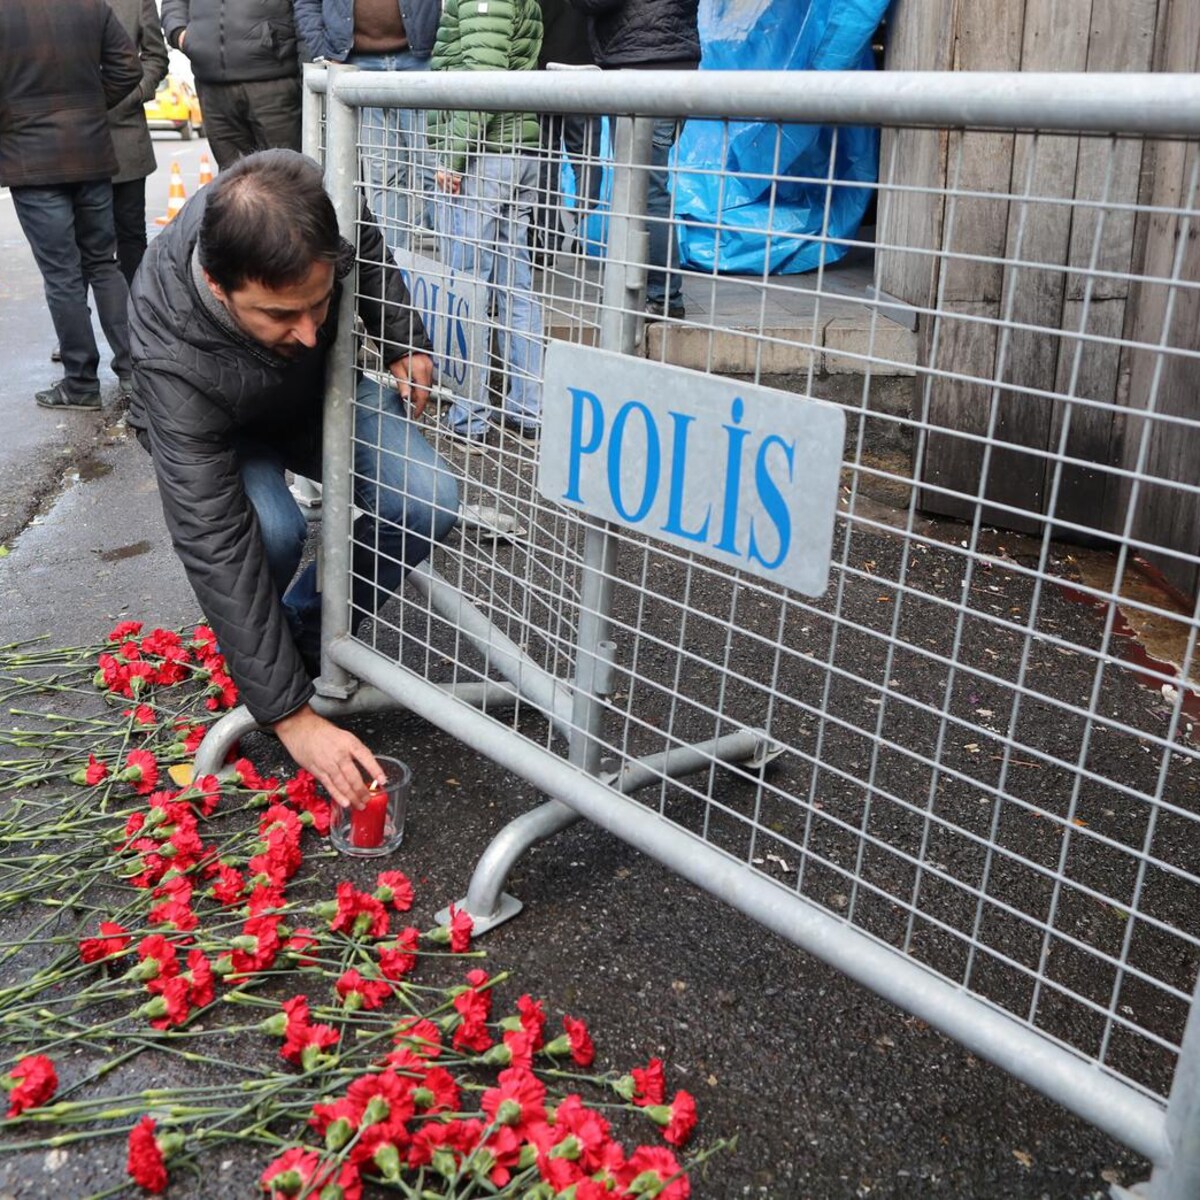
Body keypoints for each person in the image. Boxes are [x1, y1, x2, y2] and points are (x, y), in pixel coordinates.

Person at [127, 149, 459, 810]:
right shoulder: (167, 348)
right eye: (281, 316)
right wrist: (292, 719)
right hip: (222, 426)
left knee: (429, 499)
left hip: (314, 401)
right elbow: (212, 538)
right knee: (268, 531)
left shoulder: (299, 188)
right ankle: (270, 669)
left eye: (319, 305)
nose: (309, 332)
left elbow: (357, 233)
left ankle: (298, 636)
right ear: (219, 285)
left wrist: (400, 336)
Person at [0, 0, 142, 411]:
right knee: (103, 262)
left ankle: (81, 383)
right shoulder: (90, 5)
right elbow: (128, 69)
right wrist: (90, 109)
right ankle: (135, 370)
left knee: (63, 274)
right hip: (90, 152)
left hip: (31, 161)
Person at [427, 0, 545, 442]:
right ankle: (527, 408)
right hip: (516, 152)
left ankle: (469, 415)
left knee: (467, 286)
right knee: (515, 284)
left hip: (485, 158)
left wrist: (452, 157)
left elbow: (483, 77)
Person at [569, 0, 700, 319]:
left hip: (642, 65)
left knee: (646, 191)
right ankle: (649, 290)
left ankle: (663, 294)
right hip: (671, 61)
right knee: (646, 187)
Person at [293, 0, 442, 256]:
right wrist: (323, 50)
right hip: (356, 65)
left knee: (437, 172)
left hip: (420, 57)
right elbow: (306, 3)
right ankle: (396, 276)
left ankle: (452, 280)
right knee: (384, 177)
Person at [160, 0, 302, 171]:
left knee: (284, 175)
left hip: (273, 76)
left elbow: (306, 7)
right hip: (211, 81)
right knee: (230, 181)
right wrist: (179, 33)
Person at [534, 0, 603, 263]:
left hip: (543, 70)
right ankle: (580, 232)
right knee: (586, 159)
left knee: (545, 161)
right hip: (586, 70)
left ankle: (546, 243)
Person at [107, 0, 170, 284]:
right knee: (79, 250)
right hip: (70, 139)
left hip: (125, 137)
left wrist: (135, 93)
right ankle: (78, 327)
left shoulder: (136, 2)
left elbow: (156, 56)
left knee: (131, 237)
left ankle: (136, 320)